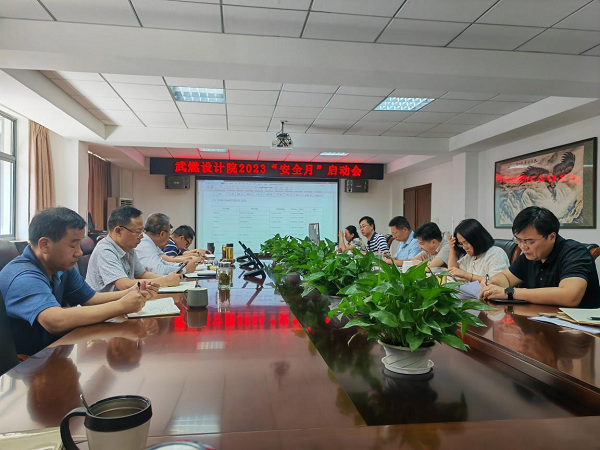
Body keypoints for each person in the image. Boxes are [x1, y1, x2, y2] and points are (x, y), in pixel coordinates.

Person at [0, 207, 156, 356]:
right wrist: (122, 305)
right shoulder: (23, 277)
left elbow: (91, 299)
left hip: (54, 349)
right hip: (28, 362)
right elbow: (55, 321)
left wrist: (131, 292)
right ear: (45, 245)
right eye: (73, 245)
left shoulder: (60, 267)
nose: (80, 252)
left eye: (80, 244)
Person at [479, 206, 600, 308]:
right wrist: (493, 282)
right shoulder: (530, 256)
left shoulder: (575, 253)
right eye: (519, 240)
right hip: (540, 320)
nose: (523, 246)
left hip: (577, 326)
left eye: (529, 241)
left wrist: (510, 293)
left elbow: (570, 296)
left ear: (551, 237)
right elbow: (506, 278)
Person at [86, 206, 182, 292]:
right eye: (137, 232)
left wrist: (167, 278)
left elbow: (142, 274)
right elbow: (124, 285)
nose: (141, 236)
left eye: (142, 231)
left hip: (124, 300)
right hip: (105, 304)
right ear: (118, 231)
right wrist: (164, 281)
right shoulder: (105, 250)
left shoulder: (129, 248)